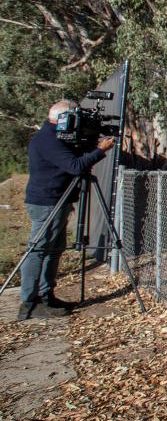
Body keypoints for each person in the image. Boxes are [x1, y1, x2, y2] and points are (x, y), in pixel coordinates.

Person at [17, 100, 116, 320]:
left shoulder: (56, 137)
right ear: (63, 118)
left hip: (56, 201)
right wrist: (100, 151)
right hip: (47, 203)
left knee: (54, 249)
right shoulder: (48, 140)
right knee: (39, 250)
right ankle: (29, 303)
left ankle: (46, 295)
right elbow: (75, 166)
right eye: (75, 117)